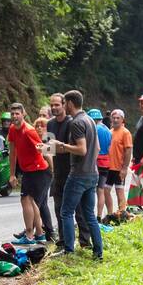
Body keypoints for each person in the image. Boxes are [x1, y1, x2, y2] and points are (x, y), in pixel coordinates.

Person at [53, 90, 102, 259]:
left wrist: (63, 146)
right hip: (92, 173)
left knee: (66, 212)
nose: (64, 106)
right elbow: (97, 149)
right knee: (89, 215)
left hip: (78, 175)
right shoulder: (90, 120)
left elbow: (82, 149)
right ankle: (98, 252)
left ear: (70, 104)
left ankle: (68, 251)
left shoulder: (76, 123)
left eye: (64, 103)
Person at [6, 102, 52, 244]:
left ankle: (30, 235)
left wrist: (52, 170)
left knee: (28, 200)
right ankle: (39, 234)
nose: (14, 116)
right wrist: (12, 174)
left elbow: (44, 150)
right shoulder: (13, 129)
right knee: (30, 202)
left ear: (23, 114)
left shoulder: (29, 131)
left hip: (39, 170)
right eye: (12, 114)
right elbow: (13, 153)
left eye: (17, 113)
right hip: (28, 170)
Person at [47, 93, 87, 249]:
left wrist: (60, 147)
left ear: (64, 105)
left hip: (72, 171)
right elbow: (49, 148)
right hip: (57, 172)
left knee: (79, 209)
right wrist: (41, 149)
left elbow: (77, 148)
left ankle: (84, 241)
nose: (54, 107)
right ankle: (63, 241)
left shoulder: (72, 122)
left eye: (57, 104)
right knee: (59, 209)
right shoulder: (50, 124)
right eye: (52, 105)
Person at [105, 109, 132, 218]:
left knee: (119, 190)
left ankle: (122, 213)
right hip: (108, 167)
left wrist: (125, 168)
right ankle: (110, 213)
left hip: (119, 167)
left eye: (118, 118)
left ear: (122, 120)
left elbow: (128, 150)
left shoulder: (125, 132)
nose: (115, 120)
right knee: (105, 191)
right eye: (114, 118)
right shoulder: (109, 132)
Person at [90, 108, 112, 218]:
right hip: (107, 162)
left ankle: (94, 216)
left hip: (96, 162)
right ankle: (99, 215)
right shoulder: (108, 129)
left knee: (92, 190)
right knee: (101, 189)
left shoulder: (94, 129)